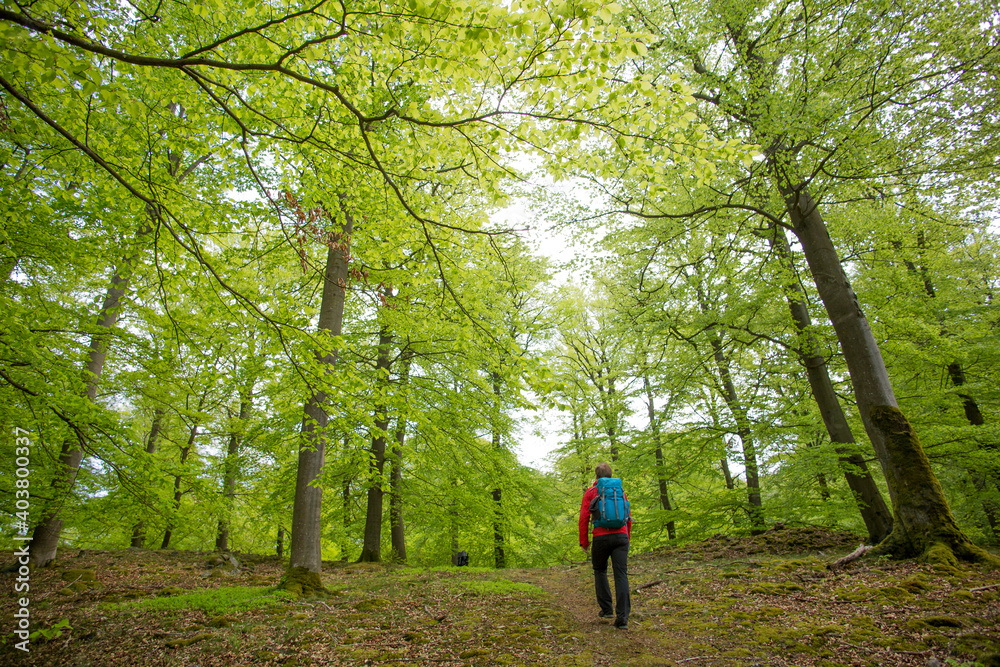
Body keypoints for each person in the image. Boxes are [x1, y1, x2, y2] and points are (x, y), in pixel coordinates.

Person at [579, 462, 632, 629]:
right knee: (621, 574)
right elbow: (627, 515)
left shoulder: (591, 492)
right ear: (610, 475)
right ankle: (622, 617)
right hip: (621, 535)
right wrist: (627, 538)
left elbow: (584, 518)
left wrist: (584, 542)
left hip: (601, 537)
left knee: (600, 570)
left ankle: (607, 609)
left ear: (596, 477)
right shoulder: (619, 490)